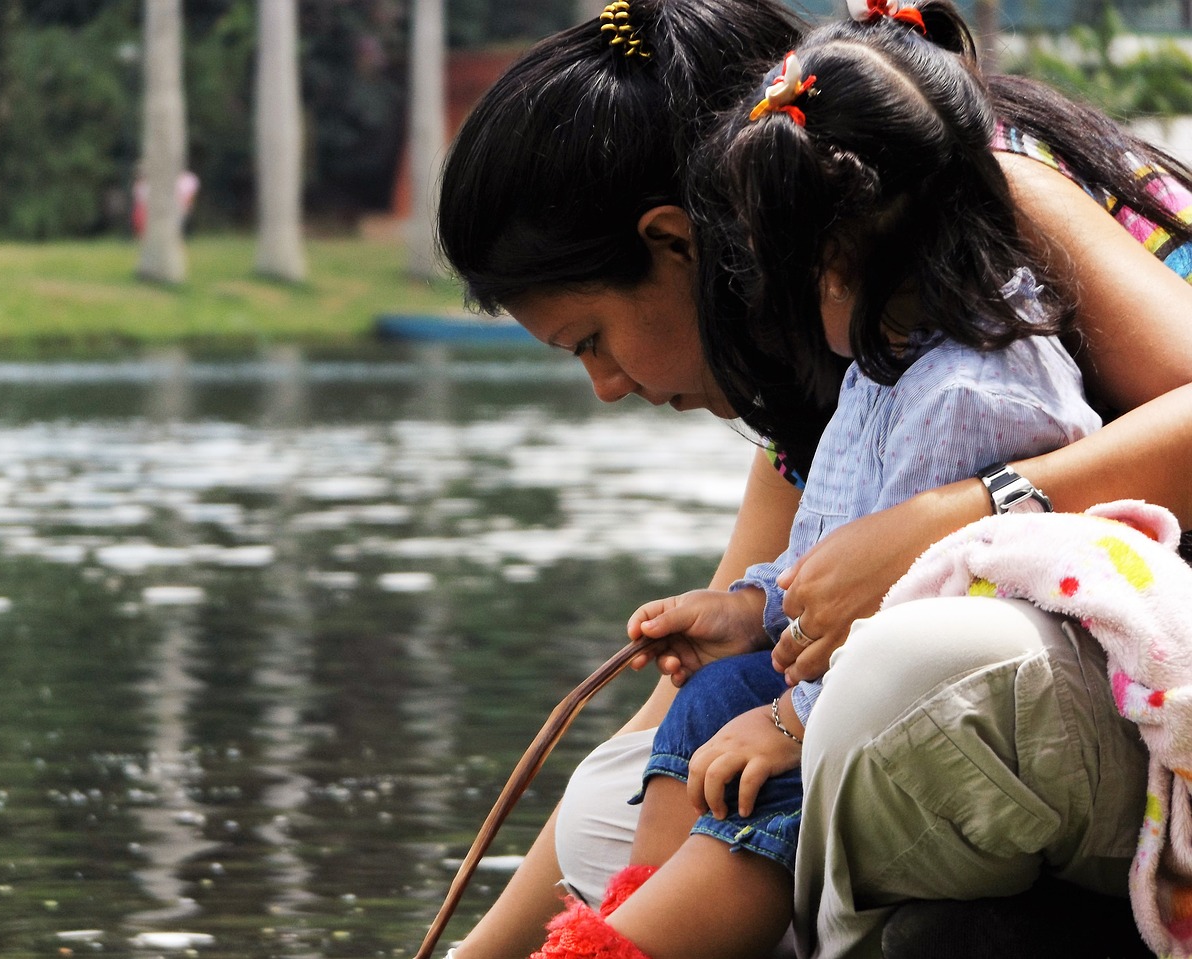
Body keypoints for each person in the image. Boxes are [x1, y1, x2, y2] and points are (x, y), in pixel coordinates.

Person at [434, 0, 1192, 954]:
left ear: (679, 240)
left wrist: (954, 518)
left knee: (901, 676)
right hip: (985, 731)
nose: (606, 387)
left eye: (593, 340)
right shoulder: (838, 340)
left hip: (1147, 696)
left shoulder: (968, 198)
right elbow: (716, 661)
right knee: (611, 795)